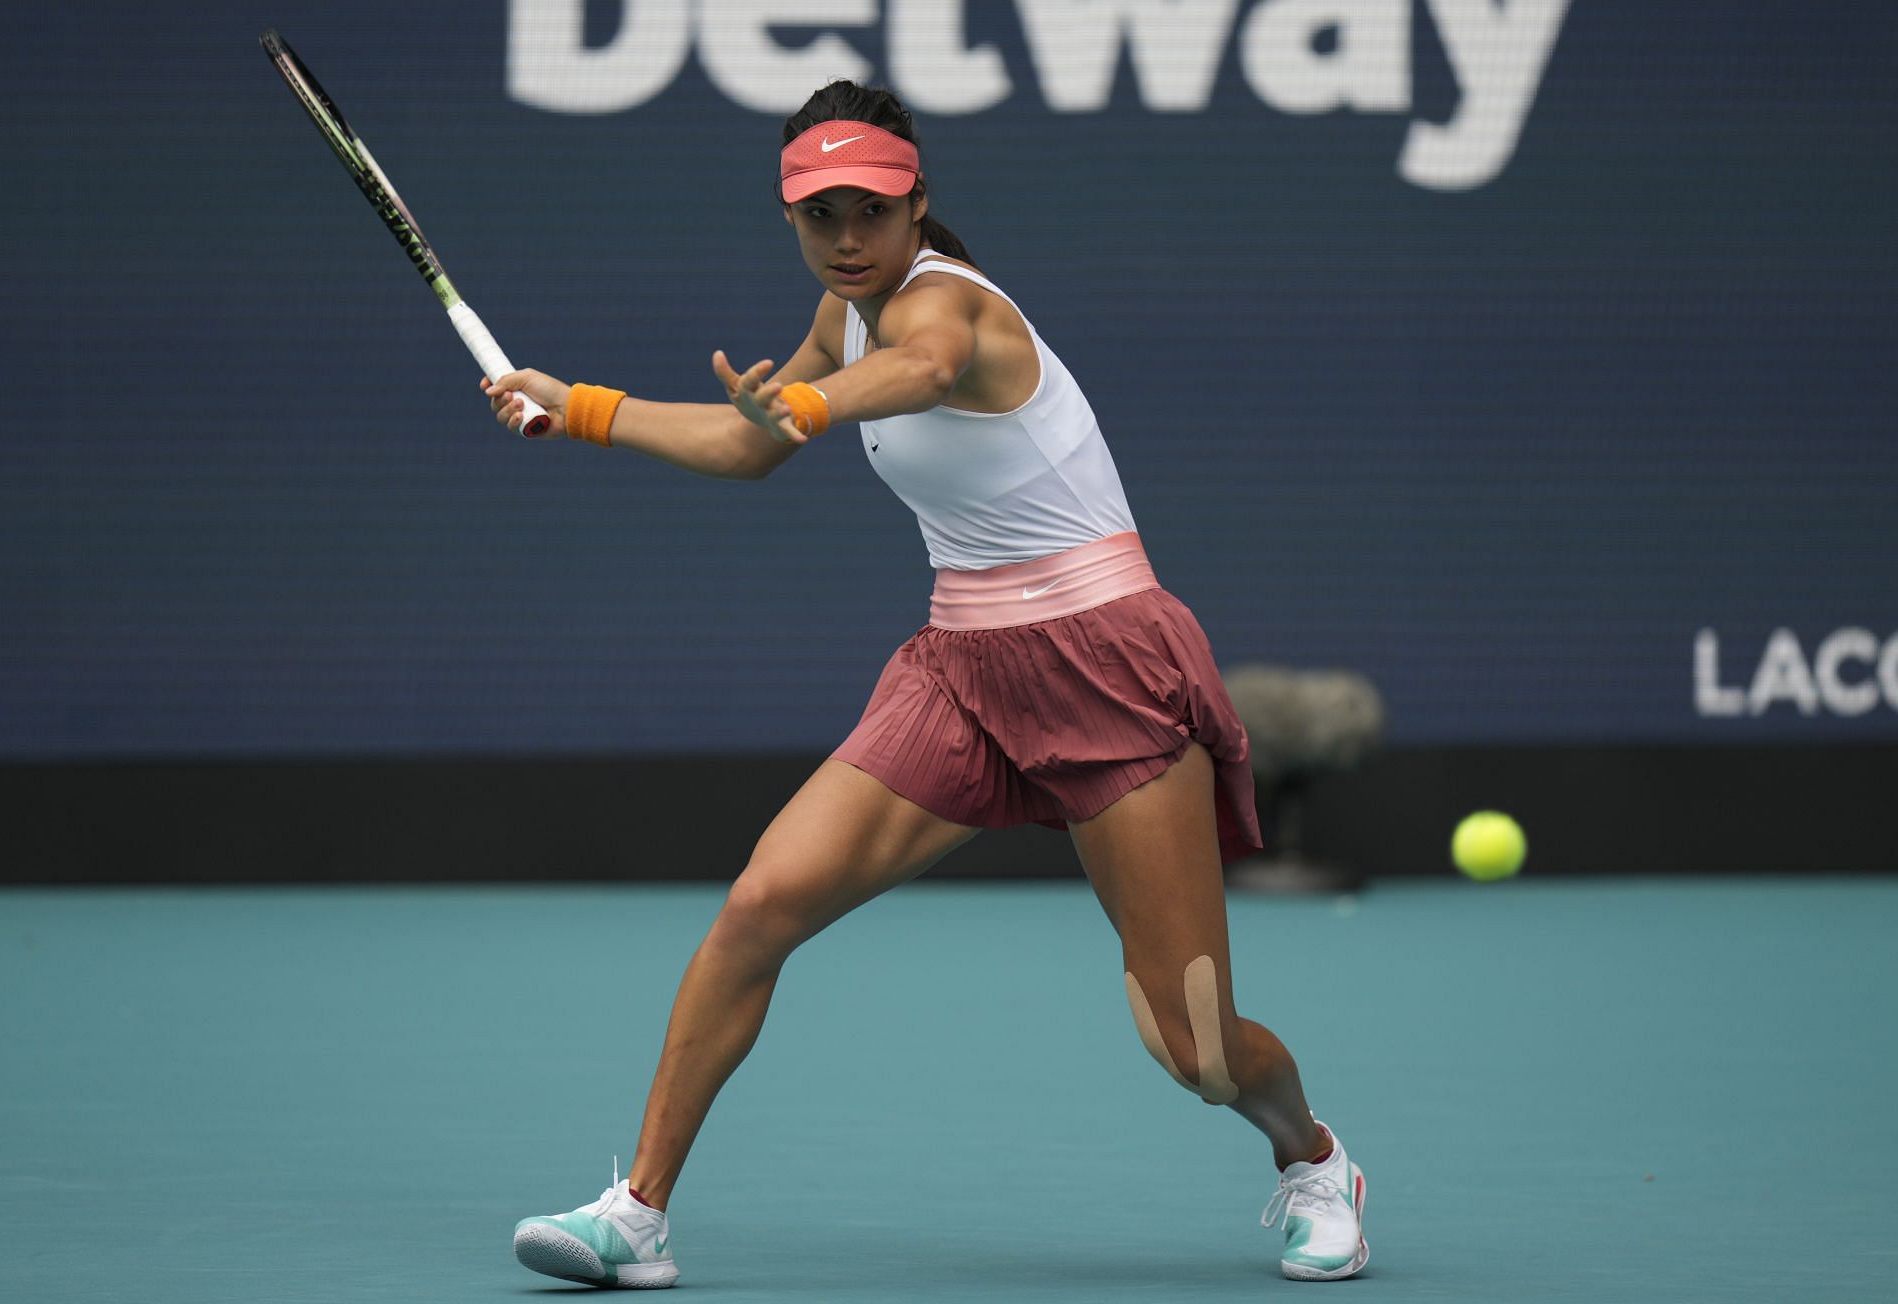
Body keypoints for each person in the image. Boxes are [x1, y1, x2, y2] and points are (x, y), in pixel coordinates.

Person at [486, 80, 1368, 1288]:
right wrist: (577, 406)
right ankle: (634, 1212)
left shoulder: (951, 304)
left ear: (918, 205)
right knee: (760, 905)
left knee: (1196, 1044)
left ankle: (1314, 1160)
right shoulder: (842, 313)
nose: (846, 237)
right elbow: (748, 445)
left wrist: (805, 400)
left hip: (1107, 663)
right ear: (793, 218)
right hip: (961, 667)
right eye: (820, 214)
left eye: (871, 210)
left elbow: (923, 368)